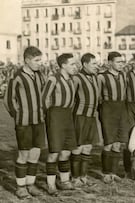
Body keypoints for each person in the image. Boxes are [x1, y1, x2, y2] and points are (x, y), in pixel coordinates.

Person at [3, 46, 45, 199]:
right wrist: (19, 115)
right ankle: (20, 187)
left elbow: (44, 95)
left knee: (35, 154)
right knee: (24, 154)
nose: (40, 63)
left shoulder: (40, 75)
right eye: (37, 60)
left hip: (39, 121)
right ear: (27, 61)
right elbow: (8, 100)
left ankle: (30, 184)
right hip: (24, 122)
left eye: (41, 60)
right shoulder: (17, 77)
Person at [42, 53, 78, 195]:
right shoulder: (53, 79)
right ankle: (50, 184)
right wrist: (50, 115)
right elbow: (44, 99)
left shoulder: (71, 80)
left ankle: (64, 181)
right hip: (55, 115)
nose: (75, 67)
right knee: (54, 152)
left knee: (67, 151)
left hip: (67, 115)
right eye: (73, 64)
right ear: (63, 65)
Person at [97, 52, 128, 183]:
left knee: (117, 143)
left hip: (121, 108)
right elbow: (97, 96)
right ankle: (106, 173)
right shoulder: (101, 77)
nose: (121, 64)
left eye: (122, 62)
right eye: (118, 62)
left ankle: (114, 173)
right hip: (107, 110)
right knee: (108, 143)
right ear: (110, 63)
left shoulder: (123, 75)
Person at [71, 53, 99, 186]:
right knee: (78, 147)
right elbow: (70, 99)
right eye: (93, 63)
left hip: (91, 117)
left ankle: (84, 176)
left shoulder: (95, 77)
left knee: (87, 148)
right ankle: (75, 177)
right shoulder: (76, 78)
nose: (96, 66)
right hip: (80, 116)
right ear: (85, 64)